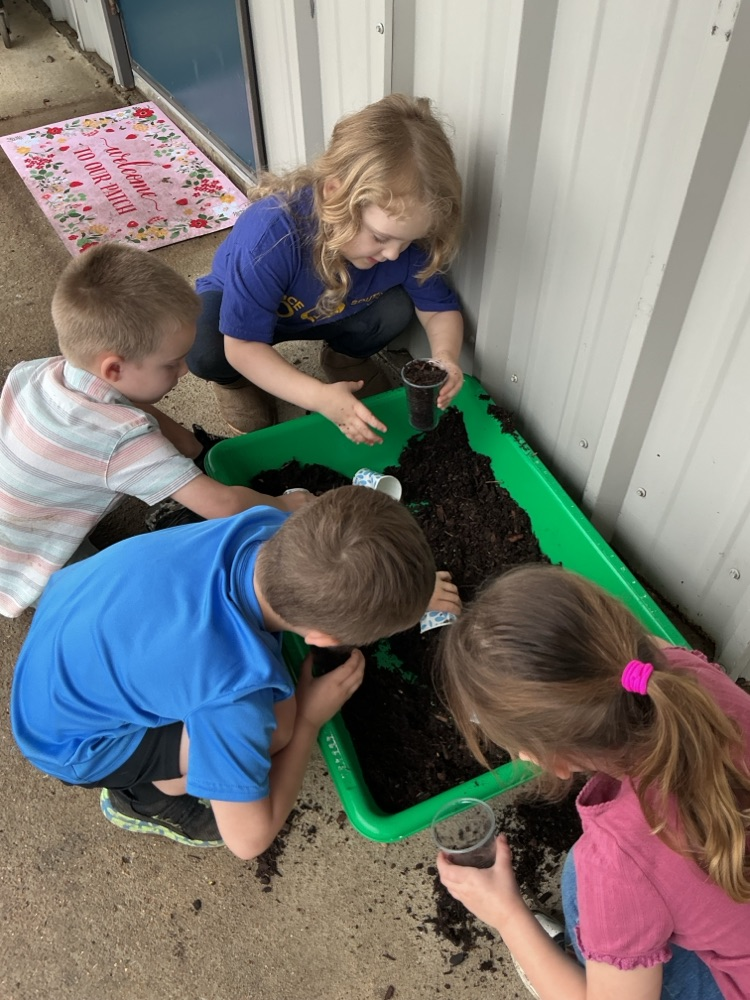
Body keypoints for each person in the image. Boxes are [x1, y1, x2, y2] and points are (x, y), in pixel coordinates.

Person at [10, 485, 460, 857]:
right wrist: (308, 721)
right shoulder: (235, 696)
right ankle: (145, 799)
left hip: (68, 626)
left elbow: (319, 523)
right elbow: (249, 840)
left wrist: (412, 593)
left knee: (268, 718)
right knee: (281, 730)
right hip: (73, 742)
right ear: (323, 640)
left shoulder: (264, 525)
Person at [435, 564, 750, 1000]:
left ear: (555, 761)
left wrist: (506, 914)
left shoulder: (617, 862)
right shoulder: (685, 679)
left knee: (581, 885)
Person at [0, 242, 308, 617]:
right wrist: (284, 504)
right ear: (114, 368)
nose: (186, 371)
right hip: (25, 562)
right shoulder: (119, 440)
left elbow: (131, 404)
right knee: (140, 599)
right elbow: (223, 504)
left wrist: (193, 447)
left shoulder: (35, 372)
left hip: (20, 509)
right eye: (173, 364)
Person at [188, 93, 465, 444]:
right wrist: (319, 397)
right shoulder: (271, 235)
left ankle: (345, 360)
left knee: (396, 309)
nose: (395, 254)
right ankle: (236, 382)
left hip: (333, 309)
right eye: (381, 237)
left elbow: (439, 309)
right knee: (205, 348)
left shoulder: (400, 236)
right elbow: (242, 345)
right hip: (241, 317)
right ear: (336, 195)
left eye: (408, 242)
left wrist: (446, 358)